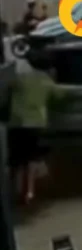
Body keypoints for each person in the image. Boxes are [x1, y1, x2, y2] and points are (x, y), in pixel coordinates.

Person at [8, 56, 59, 205]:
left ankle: (11, 188)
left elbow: (8, 92)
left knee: (14, 159)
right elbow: (59, 97)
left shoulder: (21, 78)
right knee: (30, 158)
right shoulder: (47, 81)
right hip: (35, 124)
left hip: (16, 123)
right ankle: (29, 191)